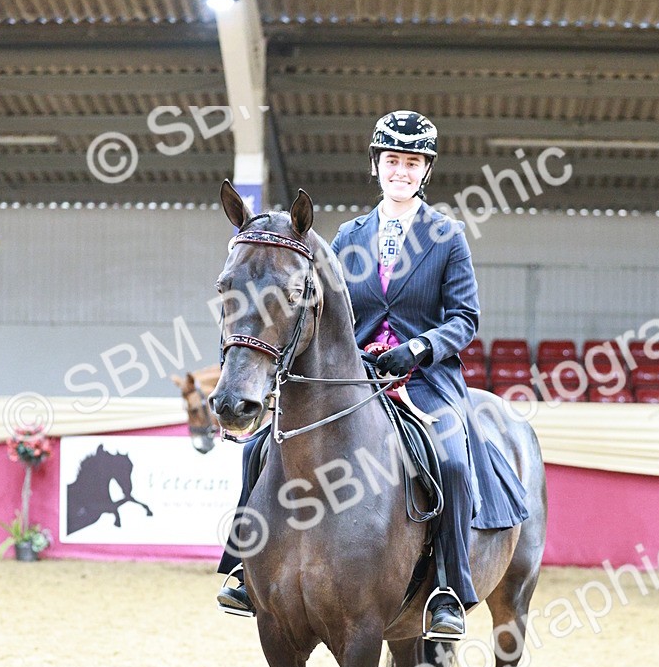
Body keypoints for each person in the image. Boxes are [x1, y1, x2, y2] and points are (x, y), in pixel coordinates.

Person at [218, 109, 528, 636]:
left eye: (412, 163)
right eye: (392, 161)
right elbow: (326, 312)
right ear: (376, 165)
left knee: (451, 459)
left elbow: (465, 319)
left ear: (425, 171)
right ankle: (244, 571)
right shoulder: (348, 236)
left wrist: (420, 348)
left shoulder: (447, 236)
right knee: (258, 448)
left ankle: (450, 590)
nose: (400, 172)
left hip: (426, 380)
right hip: (355, 376)